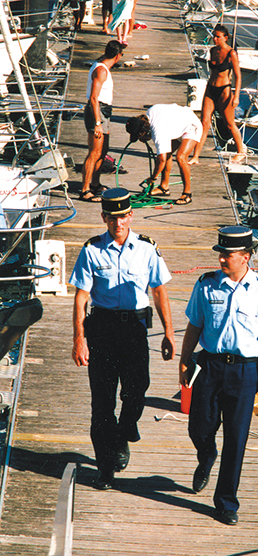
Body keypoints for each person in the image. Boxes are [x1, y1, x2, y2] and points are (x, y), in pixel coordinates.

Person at [70, 188, 176, 489]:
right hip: (102, 329)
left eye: (123, 216)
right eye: (112, 217)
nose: (118, 223)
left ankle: (124, 430)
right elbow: (81, 298)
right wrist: (79, 339)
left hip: (134, 330)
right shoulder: (92, 250)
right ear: (104, 217)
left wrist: (168, 332)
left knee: (136, 391)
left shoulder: (146, 249)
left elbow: (159, 291)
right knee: (102, 403)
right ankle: (105, 468)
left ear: (131, 215)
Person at [179, 226, 258, 525]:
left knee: (236, 439)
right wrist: (184, 361)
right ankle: (206, 455)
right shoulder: (207, 284)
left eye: (228, 255)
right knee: (199, 428)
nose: (222, 259)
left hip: (244, 370)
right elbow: (194, 326)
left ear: (246, 257)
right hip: (209, 366)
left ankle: (226, 502)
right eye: (221, 254)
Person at [188, 24, 245, 165]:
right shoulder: (212, 51)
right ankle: (195, 156)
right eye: (214, 36)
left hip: (224, 90)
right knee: (204, 123)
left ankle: (241, 151)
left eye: (218, 37)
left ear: (225, 38)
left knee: (229, 123)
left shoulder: (231, 53)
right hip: (210, 89)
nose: (215, 39)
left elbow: (238, 76)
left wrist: (236, 96)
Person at [126, 104, 203, 205]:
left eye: (139, 136)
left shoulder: (158, 132)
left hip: (192, 126)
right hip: (179, 124)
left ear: (144, 132)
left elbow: (161, 159)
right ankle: (164, 187)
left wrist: (152, 178)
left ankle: (187, 194)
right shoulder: (150, 113)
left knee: (181, 157)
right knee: (168, 153)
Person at [80, 40, 124, 203]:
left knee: (104, 150)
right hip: (97, 112)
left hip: (105, 111)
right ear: (118, 56)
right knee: (95, 152)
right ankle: (85, 190)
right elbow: (93, 97)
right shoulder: (101, 71)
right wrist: (98, 122)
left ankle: (95, 184)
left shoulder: (101, 65)